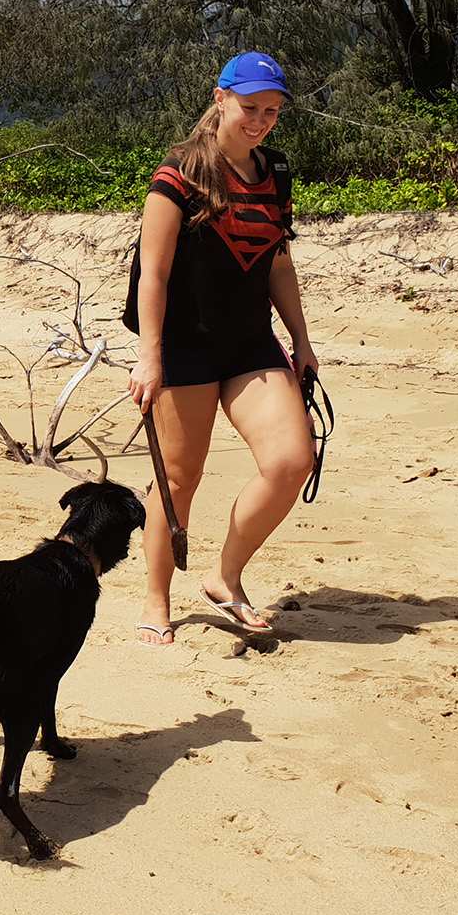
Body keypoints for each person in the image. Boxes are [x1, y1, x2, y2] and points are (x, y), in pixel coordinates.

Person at [124, 51, 320, 646]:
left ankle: (223, 576)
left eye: (272, 111)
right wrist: (150, 356)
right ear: (220, 99)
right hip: (183, 344)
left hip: (249, 342)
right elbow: (151, 274)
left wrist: (302, 341)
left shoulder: (276, 171)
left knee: (292, 460)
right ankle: (156, 597)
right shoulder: (179, 173)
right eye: (250, 107)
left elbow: (278, 261)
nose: (260, 120)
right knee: (180, 478)